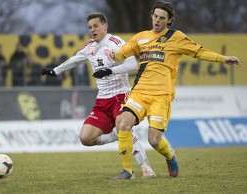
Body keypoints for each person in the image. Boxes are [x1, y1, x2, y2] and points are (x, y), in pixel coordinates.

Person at [95, 0, 241, 180]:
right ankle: (128, 171)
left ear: (169, 20)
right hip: (140, 92)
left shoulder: (176, 37)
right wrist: (113, 55)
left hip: (161, 96)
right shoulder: (140, 37)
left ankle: (170, 156)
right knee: (123, 124)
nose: (157, 21)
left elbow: (199, 52)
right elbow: (121, 54)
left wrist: (223, 59)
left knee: (154, 140)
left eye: (162, 18)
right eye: (155, 16)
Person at [41, 12, 156, 178]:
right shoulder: (89, 47)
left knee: (122, 126)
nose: (92, 30)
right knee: (86, 138)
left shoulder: (115, 43)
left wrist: (110, 70)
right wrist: (55, 71)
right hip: (102, 101)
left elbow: (132, 64)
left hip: (120, 96)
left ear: (105, 26)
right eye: (89, 27)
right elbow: (74, 60)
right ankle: (118, 135)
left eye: (96, 26)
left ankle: (145, 168)